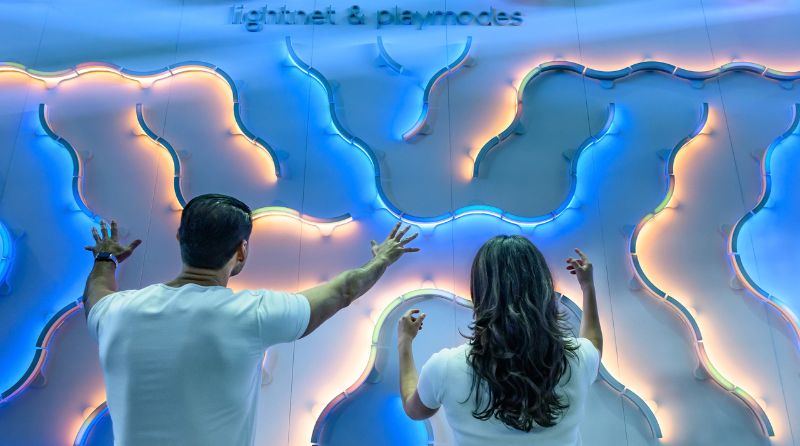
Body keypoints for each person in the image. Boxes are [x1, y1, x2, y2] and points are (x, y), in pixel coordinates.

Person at [82, 193, 419, 446]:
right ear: (241, 250)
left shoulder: (116, 312)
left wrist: (106, 257)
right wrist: (382, 260)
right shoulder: (251, 314)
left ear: (180, 239)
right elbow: (343, 291)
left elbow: (96, 292)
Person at [397, 235, 602, 446]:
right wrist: (588, 287)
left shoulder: (445, 368)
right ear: (544, 289)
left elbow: (414, 410)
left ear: (480, 293)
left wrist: (404, 341)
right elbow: (594, 343)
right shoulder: (579, 358)